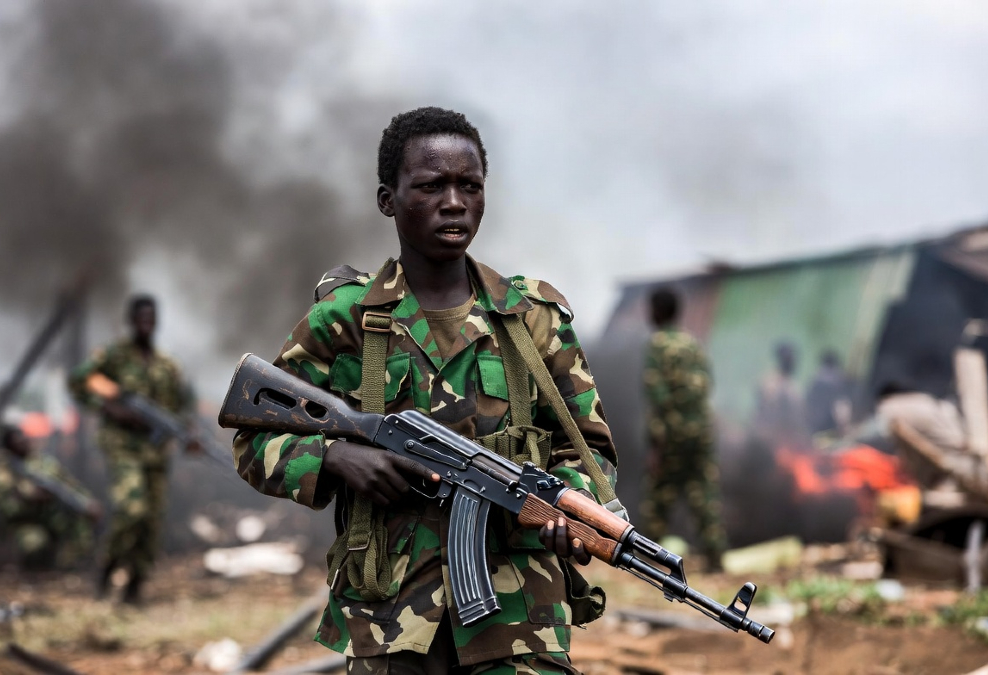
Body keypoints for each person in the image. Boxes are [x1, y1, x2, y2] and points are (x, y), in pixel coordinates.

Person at [232, 106, 620, 675]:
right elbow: (254, 436)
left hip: (520, 621)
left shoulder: (531, 319)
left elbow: (589, 450)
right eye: (432, 186)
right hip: (388, 619)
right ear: (387, 199)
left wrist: (571, 508)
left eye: (470, 186)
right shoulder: (345, 320)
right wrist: (337, 457)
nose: (454, 202)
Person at [68, 294, 195, 603]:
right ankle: (108, 569)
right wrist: (111, 407)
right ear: (131, 320)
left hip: (156, 452)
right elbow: (81, 381)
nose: (146, 324)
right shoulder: (114, 356)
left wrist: (188, 432)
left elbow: (184, 404)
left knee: (151, 521)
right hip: (123, 447)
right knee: (131, 511)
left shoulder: (167, 365)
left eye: (151, 318)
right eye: (141, 318)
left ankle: (134, 587)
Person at [638, 287, 726, 570]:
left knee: (659, 495)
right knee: (703, 492)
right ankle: (715, 557)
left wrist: (656, 444)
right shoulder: (692, 343)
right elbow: (708, 383)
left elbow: (658, 396)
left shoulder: (657, 345)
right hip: (701, 431)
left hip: (672, 435)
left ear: (656, 311)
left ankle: (646, 558)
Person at [0, 423, 101, 570]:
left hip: (52, 516)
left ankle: (73, 566)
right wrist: (29, 500)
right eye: (18, 441)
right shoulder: (4, 472)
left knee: (79, 525)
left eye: (24, 438)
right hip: (25, 522)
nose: (24, 442)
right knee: (34, 545)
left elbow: (68, 486)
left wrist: (86, 502)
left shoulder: (44, 463)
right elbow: (6, 509)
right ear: (10, 447)